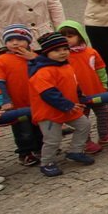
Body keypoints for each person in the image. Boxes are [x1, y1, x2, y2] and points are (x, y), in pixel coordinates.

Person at [28, 31, 94, 177]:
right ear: (46, 52)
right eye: (57, 50)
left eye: (65, 49)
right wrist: (68, 105)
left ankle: (75, 151)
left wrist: (78, 95)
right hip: (49, 113)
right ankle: (47, 163)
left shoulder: (65, 65)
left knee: (84, 125)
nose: (63, 53)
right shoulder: (42, 72)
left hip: (69, 107)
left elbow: (72, 83)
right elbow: (48, 93)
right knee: (53, 140)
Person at [59, 21, 108, 150]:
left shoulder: (91, 52)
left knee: (103, 114)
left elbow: (100, 69)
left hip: (95, 91)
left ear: (80, 36)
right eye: (63, 37)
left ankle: (104, 136)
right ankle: (86, 142)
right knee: (83, 120)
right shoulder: (62, 56)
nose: (67, 40)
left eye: (70, 36)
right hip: (77, 96)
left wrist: (104, 85)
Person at [0, 25, 41, 165]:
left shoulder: (35, 57)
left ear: (28, 41)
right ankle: (25, 153)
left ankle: (41, 148)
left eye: (19, 39)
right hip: (17, 104)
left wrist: (34, 59)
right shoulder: (1, 61)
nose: (15, 43)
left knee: (39, 126)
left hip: (36, 101)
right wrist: (5, 100)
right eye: (10, 40)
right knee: (23, 130)